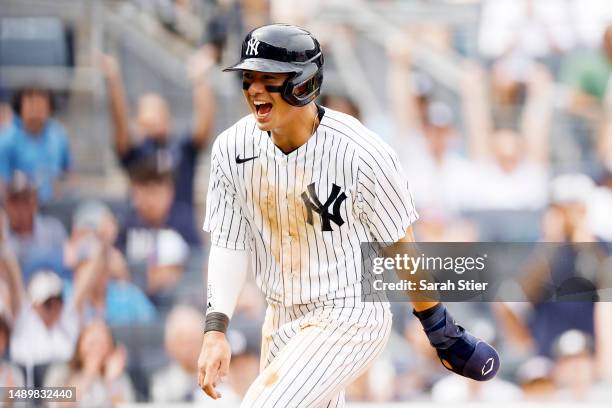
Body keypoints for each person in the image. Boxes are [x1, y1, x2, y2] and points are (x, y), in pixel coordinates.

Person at [197, 24, 499, 407]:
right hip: (281, 320)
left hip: (350, 315)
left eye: (268, 77)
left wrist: (440, 330)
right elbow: (229, 242)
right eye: (249, 77)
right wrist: (214, 329)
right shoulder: (232, 148)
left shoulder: (362, 153)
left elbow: (401, 248)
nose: (254, 88)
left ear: (302, 83)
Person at [99, 47, 215, 207]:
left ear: (169, 119)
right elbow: (120, 123)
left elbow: (204, 126)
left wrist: (200, 79)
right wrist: (113, 80)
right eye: (147, 114)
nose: (153, 119)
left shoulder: (182, 149)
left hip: (179, 227)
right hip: (143, 229)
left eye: (158, 112)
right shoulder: (136, 154)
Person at [0, 88, 72, 203]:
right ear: (21, 104)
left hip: (53, 207)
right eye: (30, 100)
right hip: (18, 209)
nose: (35, 106)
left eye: (40, 100)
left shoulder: (58, 134)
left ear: (49, 105)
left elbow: (68, 172)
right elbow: (2, 184)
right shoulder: (6, 139)